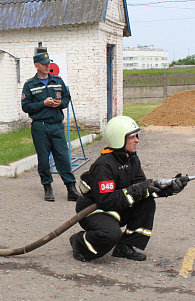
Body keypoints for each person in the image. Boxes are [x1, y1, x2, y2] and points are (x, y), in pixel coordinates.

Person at [70, 116, 188, 262]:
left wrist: (169, 189)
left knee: (147, 203)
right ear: (119, 139)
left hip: (116, 205)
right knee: (111, 234)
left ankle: (124, 246)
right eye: (132, 137)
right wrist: (142, 188)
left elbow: (141, 187)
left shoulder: (131, 157)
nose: (137, 140)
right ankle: (80, 242)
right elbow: (106, 201)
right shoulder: (103, 166)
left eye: (136, 136)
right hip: (95, 211)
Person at [21, 51, 81, 202]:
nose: (48, 66)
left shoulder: (58, 81)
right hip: (40, 127)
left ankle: (71, 188)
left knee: (63, 157)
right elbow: (26, 106)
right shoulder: (30, 85)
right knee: (43, 159)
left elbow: (67, 98)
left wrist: (60, 103)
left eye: (48, 63)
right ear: (36, 66)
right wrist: (43, 103)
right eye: (44, 64)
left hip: (56, 126)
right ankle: (47, 187)